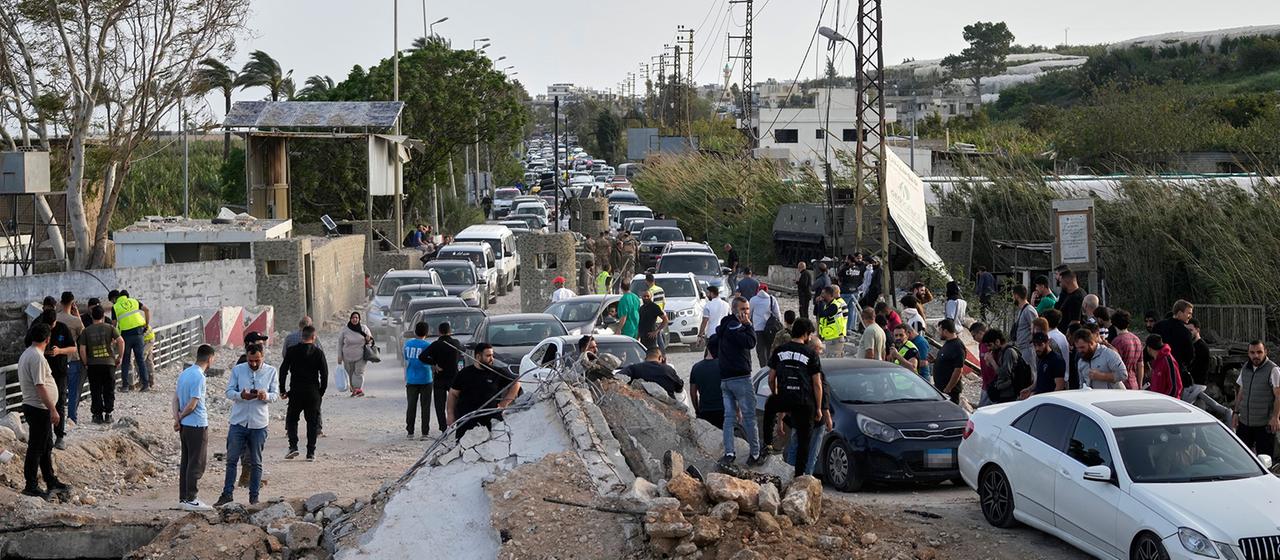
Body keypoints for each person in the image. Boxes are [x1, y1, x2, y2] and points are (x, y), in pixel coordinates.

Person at [215, 344, 278, 507]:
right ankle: (227, 494)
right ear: (246, 357)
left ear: (263, 356)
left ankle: (254, 498)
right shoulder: (238, 370)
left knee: (256, 462)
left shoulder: (271, 371)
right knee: (231, 460)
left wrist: (266, 396)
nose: (254, 364)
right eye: (251, 361)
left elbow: (275, 395)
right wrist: (241, 395)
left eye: (257, 360)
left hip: (259, 423)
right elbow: (229, 391)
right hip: (238, 422)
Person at [765, 318, 824, 477]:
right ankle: (800, 477)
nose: (810, 338)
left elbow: (771, 378)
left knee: (771, 408)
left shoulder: (779, 351)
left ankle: (770, 447)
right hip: (805, 401)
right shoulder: (810, 353)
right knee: (804, 443)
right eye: (809, 334)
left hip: (786, 397)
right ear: (805, 334)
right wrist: (818, 408)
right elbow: (817, 384)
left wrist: (777, 395)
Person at [18, 323, 69, 499]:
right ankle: (30, 485)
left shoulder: (28, 353)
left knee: (46, 446)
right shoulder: (37, 357)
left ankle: (50, 479)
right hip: (38, 408)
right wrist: (53, 409)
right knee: (36, 447)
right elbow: (40, 386)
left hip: (37, 407)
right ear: (47, 339)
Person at [709, 296, 760, 466]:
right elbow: (750, 342)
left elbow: (713, 342)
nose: (746, 312)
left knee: (729, 417)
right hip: (741, 378)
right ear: (734, 309)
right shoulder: (737, 326)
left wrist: (723, 358)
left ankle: (729, 453)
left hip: (725, 378)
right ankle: (755, 453)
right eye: (743, 309)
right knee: (749, 417)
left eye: (747, 309)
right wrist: (749, 326)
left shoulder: (723, 325)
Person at [447, 344, 521, 439]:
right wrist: (450, 414)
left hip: (490, 420)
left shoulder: (497, 373)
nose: (492, 359)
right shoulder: (464, 374)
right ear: (478, 356)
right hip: (467, 421)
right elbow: (453, 394)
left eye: (492, 355)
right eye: (488, 356)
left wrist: (504, 403)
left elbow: (516, 383)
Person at [174, 344, 216, 512]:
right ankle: (191, 498)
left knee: (186, 461)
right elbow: (192, 404)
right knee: (196, 462)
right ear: (210, 359)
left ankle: (183, 497)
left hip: (185, 426)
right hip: (197, 424)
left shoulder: (184, 373)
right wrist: (182, 416)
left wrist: (177, 419)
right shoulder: (199, 376)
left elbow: (175, 399)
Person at [280, 326, 328, 459]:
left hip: (295, 391)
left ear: (302, 336)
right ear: (314, 337)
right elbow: (324, 374)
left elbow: (283, 370)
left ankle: (293, 446)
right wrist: (321, 392)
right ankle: (310, 452)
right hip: (313, 392)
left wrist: (282, 389)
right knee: (312, 422)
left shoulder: (292, 351)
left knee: (292, 419)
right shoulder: (318, 353)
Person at [34, 309, 75, 449]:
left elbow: (73, 348)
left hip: (60, 371)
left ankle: (60, 436)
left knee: (60, 403)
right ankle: (47, 436)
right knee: (43, 403)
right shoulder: (39, 328)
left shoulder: (63, 328)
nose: (50, 328)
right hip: (43, 372)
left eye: (52, 325)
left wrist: (59, 351)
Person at [1233, 341, 1279, 458]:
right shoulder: (1245, 368)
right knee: (1241, 457)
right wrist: (1235, 412)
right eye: (1252, 352)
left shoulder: (1273, 370)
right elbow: (1241, 392)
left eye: (1259, 352)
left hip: (1263, 425)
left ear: (1265, 352)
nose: (1256, 356)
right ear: (1248, 353)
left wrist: (1275, 417)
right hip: (1244, 422)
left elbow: (1278, 396)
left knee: (1264, 459)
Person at [79, 305, 122, 424]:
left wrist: (86, 362)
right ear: (103, 316)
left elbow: (82, 349)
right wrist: (120, 357)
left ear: (92, 316)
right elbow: (121, 341)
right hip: (109, 364)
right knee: (109, 389)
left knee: (96, 389)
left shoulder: (86, 331)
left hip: (93, 365)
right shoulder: (110, 327)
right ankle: (108, 414)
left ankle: (97, 415)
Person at [420, 322, 464, 433]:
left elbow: (422, 356)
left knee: (440, 405)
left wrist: (434, 363)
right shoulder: (456, 343)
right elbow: (462, 353)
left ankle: (443, 427)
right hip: (454, 378)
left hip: (440, 377)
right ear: (450, 332)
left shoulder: (436, 344)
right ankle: (457, 423)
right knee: (456, 402)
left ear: (439, 332)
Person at [109, 289, 151, 392]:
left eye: (111, 301)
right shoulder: (133, 301)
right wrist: (146, 324)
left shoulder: (115, 307)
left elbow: (113, 324)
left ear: (114, 299)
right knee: (140, 359)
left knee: (125, 361)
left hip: (126, 335)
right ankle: (145, 385)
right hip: (138, 333)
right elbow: (147, 309)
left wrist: (112, 337)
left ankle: (125, 386)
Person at [401, 322, 433, 440]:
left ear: (415, 332)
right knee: (425, 407)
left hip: (411, 379)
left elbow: (406, 358)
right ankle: (425, 433)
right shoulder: (427, 346)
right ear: (427, 333)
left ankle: (410, 432)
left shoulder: (408, 344)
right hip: (426, 378)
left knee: (411, 406)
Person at [57, 292, 84, 426]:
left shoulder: (55, 318)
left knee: (58, 390)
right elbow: (83, 334)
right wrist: (77, 314)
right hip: (73, 358)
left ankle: (57, 417)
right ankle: (72, 417)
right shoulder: (75, 321)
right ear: (73, 303)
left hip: (57, 358)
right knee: (73, 390)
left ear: (60, 302)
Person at [618, 347, 683, 398]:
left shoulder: (634, 368)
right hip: (669, 409)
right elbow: (679, 387)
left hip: (643, 407)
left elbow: (617, 378)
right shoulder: (668, 369)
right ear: (661, 358)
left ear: (645, 358)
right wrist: (664, 366)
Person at [1151, 300, 1195, 372]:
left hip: (1158, 368)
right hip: (1176, 369)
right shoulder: (1185, 332)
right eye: (1189, 313)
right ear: (1180, 313)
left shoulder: (1158, 326)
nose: (1190, 316)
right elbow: (1190, 355)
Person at [336, 312, 374, 397]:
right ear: (350, 319)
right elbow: (340, 343)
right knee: (350, 373)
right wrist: (339, 356)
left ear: (359, 319)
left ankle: (358, 389)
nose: (355, 319)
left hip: (361, 356)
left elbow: (371, 341)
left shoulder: (364, 328)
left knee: (359, 373)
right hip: (347, 357)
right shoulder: (345, 330)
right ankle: (354, 389)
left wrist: (368, 340)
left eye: (356, 318)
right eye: (353, 318)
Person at [688, 349, 726, 428]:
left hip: (705, 411)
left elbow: (693, 393)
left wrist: (697, 410)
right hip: (724, 410)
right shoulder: (724, 366)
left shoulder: (696, 367)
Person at [982, 329, 1021, 405]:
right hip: (1003, 392)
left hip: (1009, 394)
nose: (989, 349)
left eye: (990, 345)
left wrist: (992, 361)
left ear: (997, 342)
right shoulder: (1002, 352)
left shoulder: (1009, 352)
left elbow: (1004, 374)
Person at [935, 319, 967, 404]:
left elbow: (958, 370)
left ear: (945, 331)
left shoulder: (957, 346)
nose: (939, 333)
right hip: (941, 388)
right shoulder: (948, 343)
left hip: (949, 392)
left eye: (940, 330)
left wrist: (948, 388)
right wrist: (935, 361)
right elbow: (948, 362)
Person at [1110, 310, 1145, 390]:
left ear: (1114, 324)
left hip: (1122, 384)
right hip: (1134, 383)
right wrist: (1140, 384)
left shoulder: (1117, 341)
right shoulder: (1137, 339)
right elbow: (1140, 365)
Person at [749, 284, 782, 368]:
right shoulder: (772, 299)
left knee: (760, 349)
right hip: (770, 328)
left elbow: (749, 314)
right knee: (769, 347)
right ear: (766, 290)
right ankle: (770, 366)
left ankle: (763, 367)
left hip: (758, 328)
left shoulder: (753, 300)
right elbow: (777, 315)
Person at [1026, 332, 1066, 397]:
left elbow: (1059, 387)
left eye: (1040, 345)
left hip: (1048, 402)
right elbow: (1040, 382)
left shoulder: (1057, 360)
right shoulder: (1040, 358)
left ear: (1047, 343)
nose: (1037, 349)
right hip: (1039, 400)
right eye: (1035, 345)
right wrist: (1029, 389)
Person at [814, 287, 848, 358]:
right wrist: (817, 303)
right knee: (830, 357)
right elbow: (816, 313)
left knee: (834, 359)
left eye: (823, 293)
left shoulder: (835, 305)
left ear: (829, 295)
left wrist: (820, 302)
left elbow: (823, 314)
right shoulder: (827, 305)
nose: (821, 295)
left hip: (836, 337)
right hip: (830, 336)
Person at [1011, 285, 1038, 371]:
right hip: (1021, 348)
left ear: (1016, 296)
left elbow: (1036, 329)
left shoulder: (1029, 310)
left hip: (1028, 349)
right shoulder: (1022, 310)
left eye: (1013, 295)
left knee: (1030, 373)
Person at [1053, 269, 1086, 334]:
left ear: (1067, 282)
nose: (1060, 285)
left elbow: (1075, 321)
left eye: (1061, 282)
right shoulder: (1069, 294)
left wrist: (1068, 335)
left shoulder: (1076, 298)